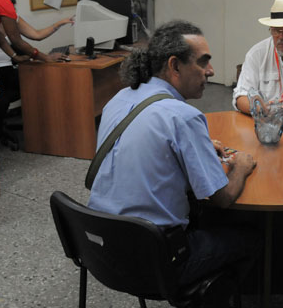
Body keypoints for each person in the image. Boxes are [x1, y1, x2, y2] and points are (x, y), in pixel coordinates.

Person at [88, 20, 260, 286]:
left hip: (99, 247)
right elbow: (222, 198)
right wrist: (242, 166)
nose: (211, 71)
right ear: (174, 66)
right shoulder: (184, 117)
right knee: (253, 238)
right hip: (154, 258)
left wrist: (196, 149)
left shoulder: (120, 98)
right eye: (203, 62)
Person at [0, 15, 74, 148]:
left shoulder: (11, 18)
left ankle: (47, 136)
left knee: (41, 84)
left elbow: (36, 34)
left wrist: (59, 23)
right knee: (0, 101)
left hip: (8, 67)